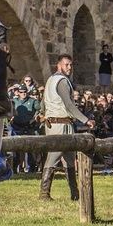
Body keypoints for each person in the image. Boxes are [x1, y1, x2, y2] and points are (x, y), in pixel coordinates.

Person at [39, 54, 95, 201]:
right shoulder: (62, 81)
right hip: (60, 125)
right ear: (59, 65)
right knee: (53, 158)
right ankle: (44, 194)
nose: (69, 67)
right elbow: (69, 106)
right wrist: (86, 120)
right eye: (66, 65)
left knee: (70, 160)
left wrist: (42, 114)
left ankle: (75, 194)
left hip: (60, 123)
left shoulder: (50, 80)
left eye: (71, 65)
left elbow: (43, 104)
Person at [10, 85, 41, 173]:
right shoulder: (14, 101)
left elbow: (40, 109)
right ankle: (15, 168)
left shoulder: (32, 101)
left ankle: (31, 169)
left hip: (28, 127)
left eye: (25, 92)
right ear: (18, 93)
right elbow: (8, 109)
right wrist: (10, 118)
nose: (23, 94)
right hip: (16, 126)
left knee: (29, 149)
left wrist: (36, 116)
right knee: (15, 149)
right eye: (21, 92)